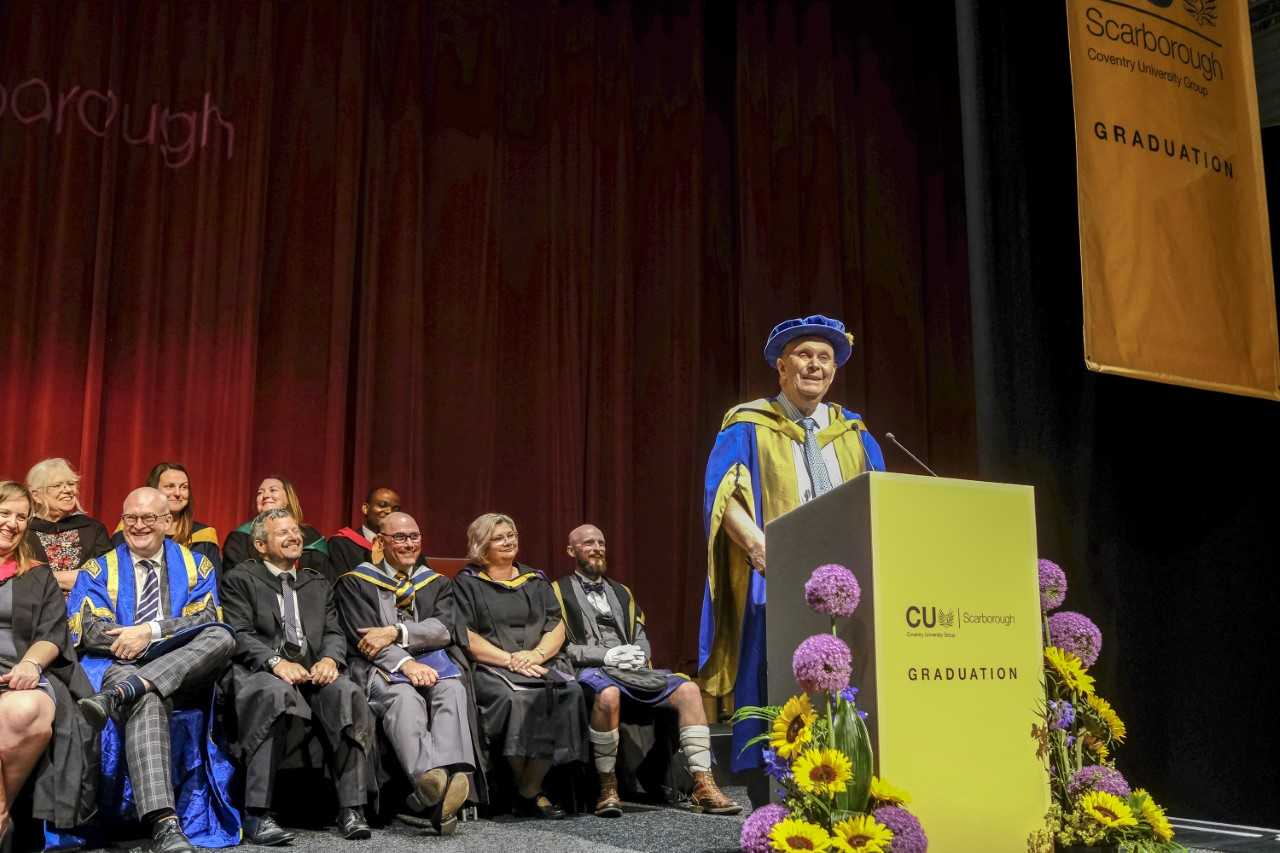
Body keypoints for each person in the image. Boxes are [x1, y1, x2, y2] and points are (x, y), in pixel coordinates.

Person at [700, 314, 886, 772]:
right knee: (779, 682)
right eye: (804, 355)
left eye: (825, 358)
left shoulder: (854, 433)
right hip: (777, 576)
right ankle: (777, 777)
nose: (815, 366)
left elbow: (882, 499)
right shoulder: (748, 425)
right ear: (782, 367)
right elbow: (723, 496)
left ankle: (856, 762)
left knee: (856, 674)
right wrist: (763, 550)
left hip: (851, 576)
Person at [68, 487, 238, 853]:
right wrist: (144, 641)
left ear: (168, 523)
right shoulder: (99, 568)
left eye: (149, 518)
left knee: (221, 636)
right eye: (131, 518)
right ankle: (165, 824)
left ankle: (132, 688)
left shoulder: (197, 565)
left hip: (182, 667)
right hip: (118, 664)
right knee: (147, 697)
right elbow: (91, 629)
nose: (139, 525)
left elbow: (206, 617)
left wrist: (151, 632)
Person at [553, 524, 740, 817]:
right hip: (591, 671)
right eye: (588, 543)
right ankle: (607, 786)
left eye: (601, 542)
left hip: (632, 670)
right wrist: (607, 655)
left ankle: (703, 784)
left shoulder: (621, 592)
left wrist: (638, 655)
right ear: (571, 550)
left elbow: (640, 635)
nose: (597, 548)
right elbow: (563, 648)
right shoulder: (557, 592)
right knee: (609, 695)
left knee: (689, 689)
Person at [220, 508, 375, 843]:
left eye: (295, 531)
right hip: (258, 671)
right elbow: (239, 634)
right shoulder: (241, 579)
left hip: (311, 672)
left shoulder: (316, 583)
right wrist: (276, 662)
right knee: (274, 695)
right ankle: (257, 814)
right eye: (282, 533)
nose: (294, 537)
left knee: (347, 693)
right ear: (261, 545)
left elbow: (334, 632)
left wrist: (331, 660)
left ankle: (351, 808)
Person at [336, 511, 478, 836]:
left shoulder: (436, 582)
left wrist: (396, 632)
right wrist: (406, 664)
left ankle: (446, 784)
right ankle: (431, 783)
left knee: (453, 689)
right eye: (400, 537)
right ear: (379, 542)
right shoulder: (356, 583)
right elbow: (365, 640)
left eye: (414, 536)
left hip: (434, 663)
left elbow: (443, 629)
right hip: (380, 668)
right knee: (403, 697)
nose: (409, 543)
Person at [452, 514, 587, 820]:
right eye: (500, 537)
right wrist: (510, 660)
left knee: (570, 692)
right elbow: (465, 634)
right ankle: (523, 788)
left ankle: (527, 789)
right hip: (492, 665)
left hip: (538, 662)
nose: (509, 541)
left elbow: (557, 626)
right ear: (482, 544)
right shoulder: (467, 583)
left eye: (512, 534)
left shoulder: (535, 580)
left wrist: (537, 656)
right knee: (517, 699)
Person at [0, 481, 97, 845]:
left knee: (27, 709)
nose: (13, 523)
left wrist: (30, 665)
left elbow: (52, 633)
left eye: (21, 517)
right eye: (4, 513)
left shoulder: (38, 574)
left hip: (19, 668)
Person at [111, 463, 221, 574]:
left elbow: (212, 582)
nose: (177, 493)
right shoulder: (130, 529)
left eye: (184, 487)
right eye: (170, 486)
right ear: (153, 489)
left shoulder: (204, 537)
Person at [24, 458, 112, 593]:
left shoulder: (92, 529)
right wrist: (75, 577)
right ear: (36, 495)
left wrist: (42, 578)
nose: (67, 490)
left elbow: (105, 575)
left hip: (84, 609)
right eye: (57, 485)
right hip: (35, 610)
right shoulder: (23, 531)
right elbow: (19, 579)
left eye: (71, 484)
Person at [222, 477, 330, 581]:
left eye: (273, 490)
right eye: (260, 493)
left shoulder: (312, 538)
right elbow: (235, 580)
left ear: (288, 499)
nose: (265, 495)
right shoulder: (240, 538)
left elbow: (323, 582)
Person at [328, 487, 401, 576]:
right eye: (382, 505)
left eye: (395, 509)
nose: (389, 511)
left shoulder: (405, 546)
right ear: (365, 508)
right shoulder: (341, 544)